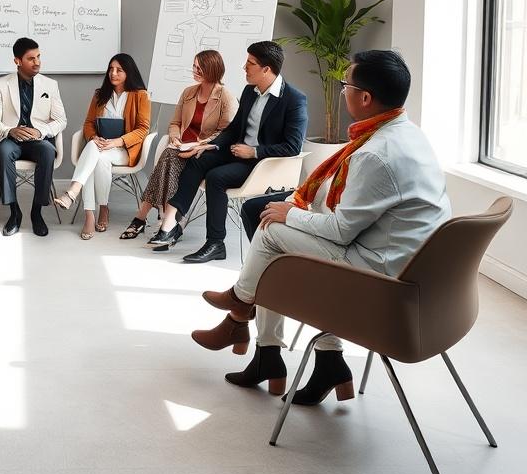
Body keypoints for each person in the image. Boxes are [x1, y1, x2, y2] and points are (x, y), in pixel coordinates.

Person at [191, 50, 451, 405]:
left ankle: (243, 311)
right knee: (273, 225)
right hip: (413, 267)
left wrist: (291, 214)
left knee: (270, 233)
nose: (341, 91)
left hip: (383, 280)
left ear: (364, 98)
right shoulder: (406, 133)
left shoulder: (373, 154)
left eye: (346, 84)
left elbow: (343, 230)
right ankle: (318, 360)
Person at [149, 41, 307, 262]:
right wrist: (210, 145)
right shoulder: (250, 92)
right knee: (198, 158)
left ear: (266, 69)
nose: (244, 67)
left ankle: (215, 243)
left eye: (250, 63)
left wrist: (253, 152)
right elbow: (234, 128)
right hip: (237, 152)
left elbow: (293, 146)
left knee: (216, 177)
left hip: (262, 163)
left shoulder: (294, 99)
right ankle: (172, 220)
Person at [119, 50, 236, 240]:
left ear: (213, 69)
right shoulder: (188, 92)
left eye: (200, 67)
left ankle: (143, 218)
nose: (195, 70)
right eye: (194, 66)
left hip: (204, 151)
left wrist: (198, 145)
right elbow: (175, 123)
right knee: (170, 156)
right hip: (182, 145)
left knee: (168, 159)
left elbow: (225, 133)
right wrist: (175, 139)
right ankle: (168, 222)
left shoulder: (226, 97)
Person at [54, 54, 151, 240]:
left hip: (124, 150)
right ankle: (93, 213)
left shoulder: (141, 96)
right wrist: (94, 137)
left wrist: (116, 142)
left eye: (119, 70)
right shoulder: (100, 95)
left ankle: (74, 192)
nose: (113, 73)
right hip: (101, 146)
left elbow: (142, 129)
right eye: (111, 69)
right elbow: (89, 123)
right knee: (95, 152)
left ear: (129, 72)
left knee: (96, 154)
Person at [0, 37, 67, 237]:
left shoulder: (50, 85)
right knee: (3, 153)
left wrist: (41, 132)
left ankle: (36, 212)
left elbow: (61, 120)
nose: (37, 62)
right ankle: (14, 212)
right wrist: (9, 131)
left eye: (39, 57)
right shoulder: (1, 84)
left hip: (38, 140)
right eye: (31, 58)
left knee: (48, 152)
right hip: (11, 140)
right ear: (17, 61)